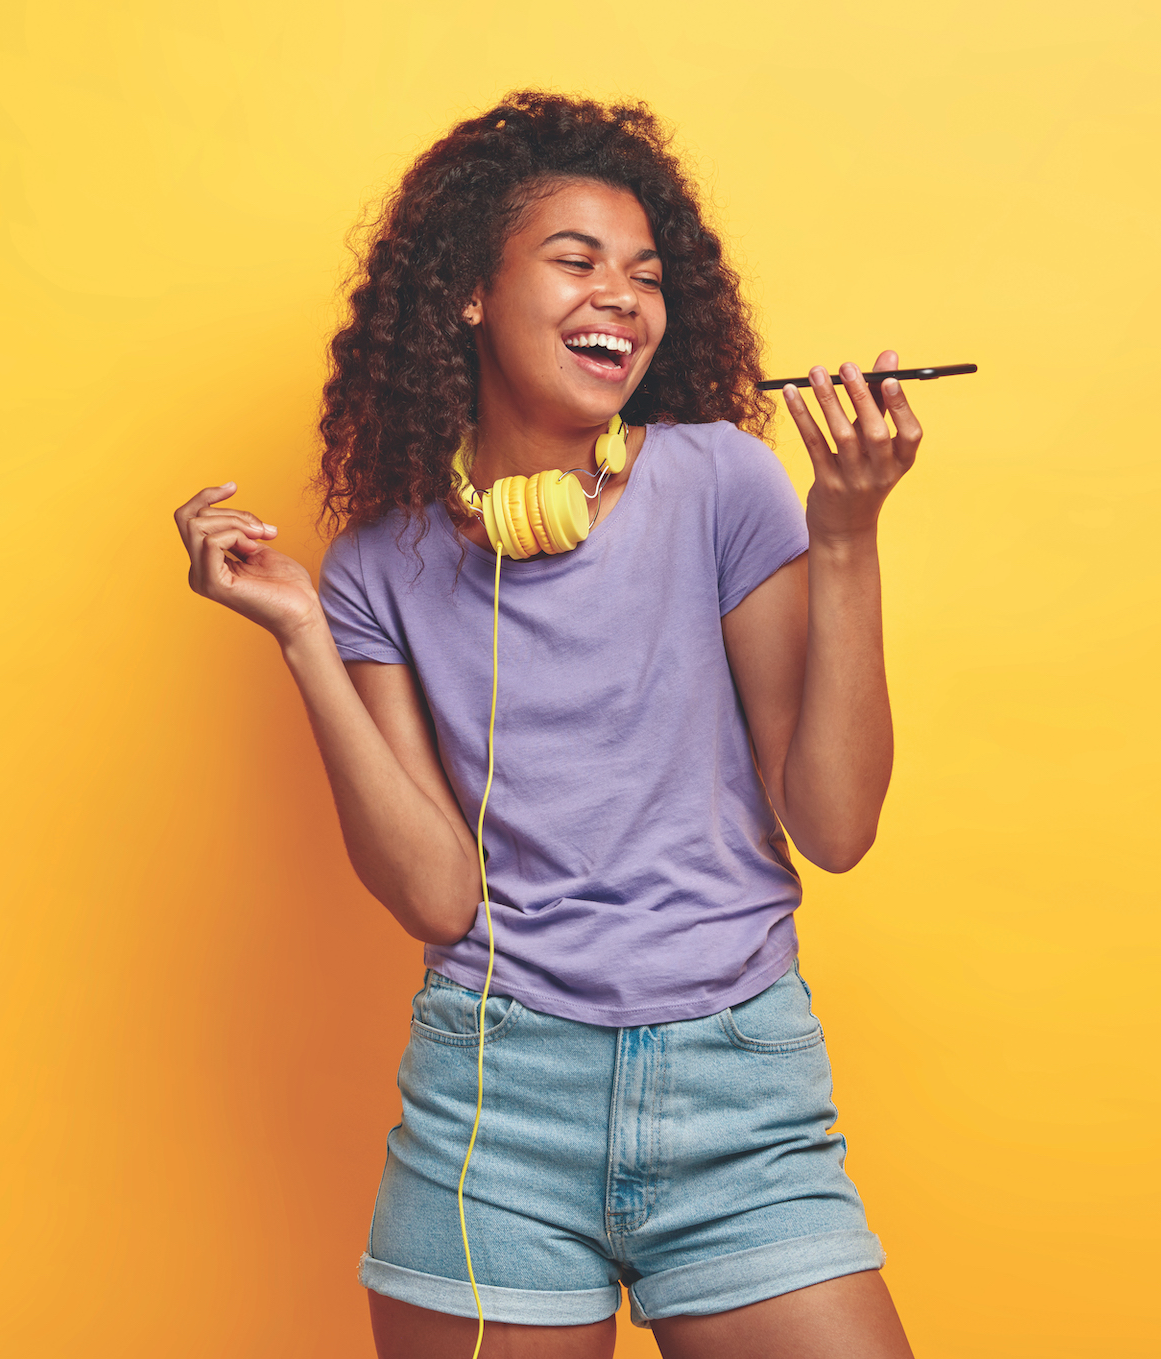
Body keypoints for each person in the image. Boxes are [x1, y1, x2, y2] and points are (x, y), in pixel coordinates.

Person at [170, 91, 920, 1359]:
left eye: (644, 274)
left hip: (737, 1083)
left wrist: (844, 536)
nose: (620, 297)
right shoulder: (377, 569)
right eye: (575, 262)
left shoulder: (723, 482)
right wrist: (304, 634)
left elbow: (835, 828)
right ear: (469, 291)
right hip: (493, 1105)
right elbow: (435, 898)